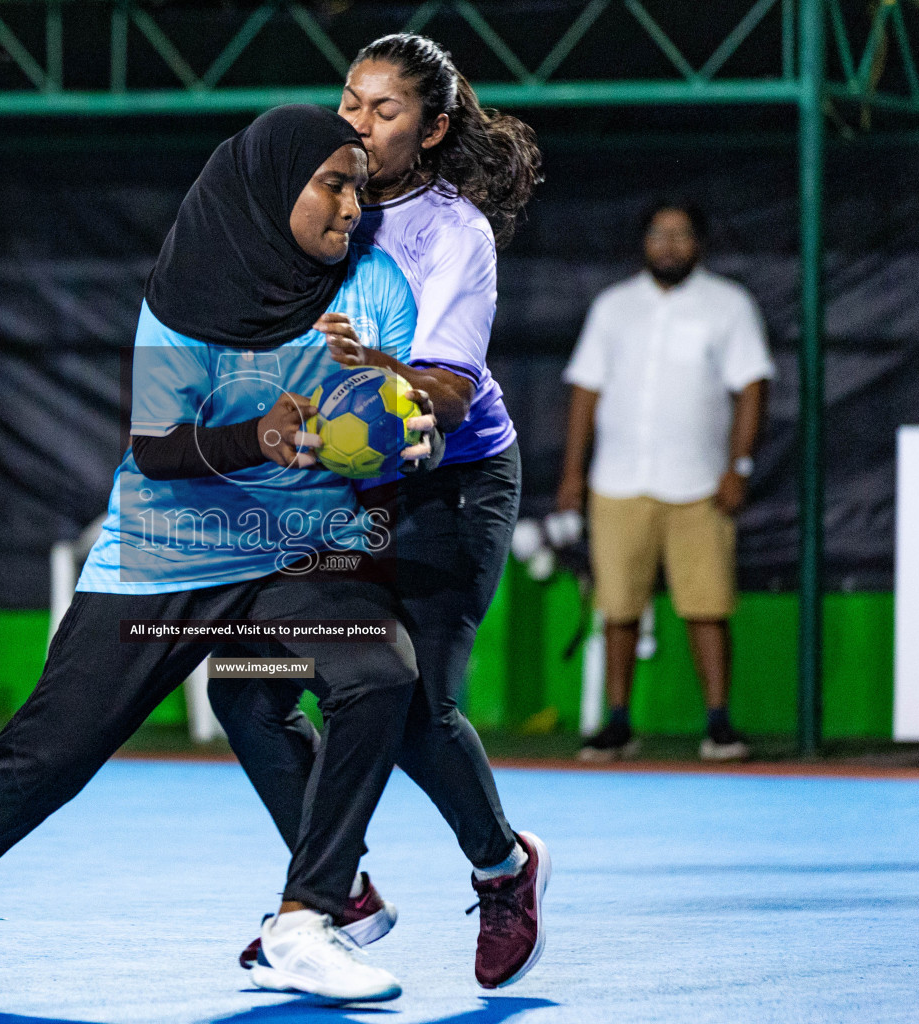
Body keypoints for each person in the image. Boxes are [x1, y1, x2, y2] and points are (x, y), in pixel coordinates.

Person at [0, 105, 436, 1004]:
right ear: (273, 188)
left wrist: (401, 440)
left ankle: (308, 920)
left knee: (378, 672)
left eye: (360, 189)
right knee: (48, 758)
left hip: (296, 556)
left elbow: (384, 425)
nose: (352, 207)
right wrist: (251, 438)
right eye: (333, 186)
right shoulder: (191, 287)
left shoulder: (377, 286)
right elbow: (155, 444)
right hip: (164, 560)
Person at [206, 34, 550, 991]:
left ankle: (505, 869)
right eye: (348, 100)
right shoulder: (320, 207)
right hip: (345, 497)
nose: (354, 121)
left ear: (432, 129)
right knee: (243, 687)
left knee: (415, 707)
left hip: (453, 489)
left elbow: (441, 392)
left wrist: (374, 376)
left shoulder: (454, 235)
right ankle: (339, 895)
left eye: (382, 110)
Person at [559, 201, 772, 763]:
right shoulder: (613, 307)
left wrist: (739, 467)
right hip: (617, 480)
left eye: (680, 235)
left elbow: (752, 388)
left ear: (699, 243)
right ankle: (619, 723)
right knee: (618, 607)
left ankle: (720, 725)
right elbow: (585, 390)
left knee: (708, 606)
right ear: (644, 242)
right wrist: (572, 474)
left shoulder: (729, 305)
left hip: (700, 483)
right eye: (658, 234)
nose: (668, 245)